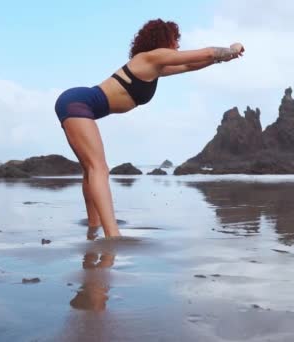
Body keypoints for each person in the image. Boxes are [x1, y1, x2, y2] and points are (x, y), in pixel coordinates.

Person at [54, 19, 245, 238]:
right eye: (175, 41)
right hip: (77, 103)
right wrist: (231, 50)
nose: (178, 46)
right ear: (165, 40)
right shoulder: (150, 57)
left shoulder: (154, 66)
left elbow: (191, 65)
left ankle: (93, 225)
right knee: (99, 168)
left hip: (76, 103)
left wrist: (221, 59)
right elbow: (205, 53)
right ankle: (113, 235)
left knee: (91, 169)